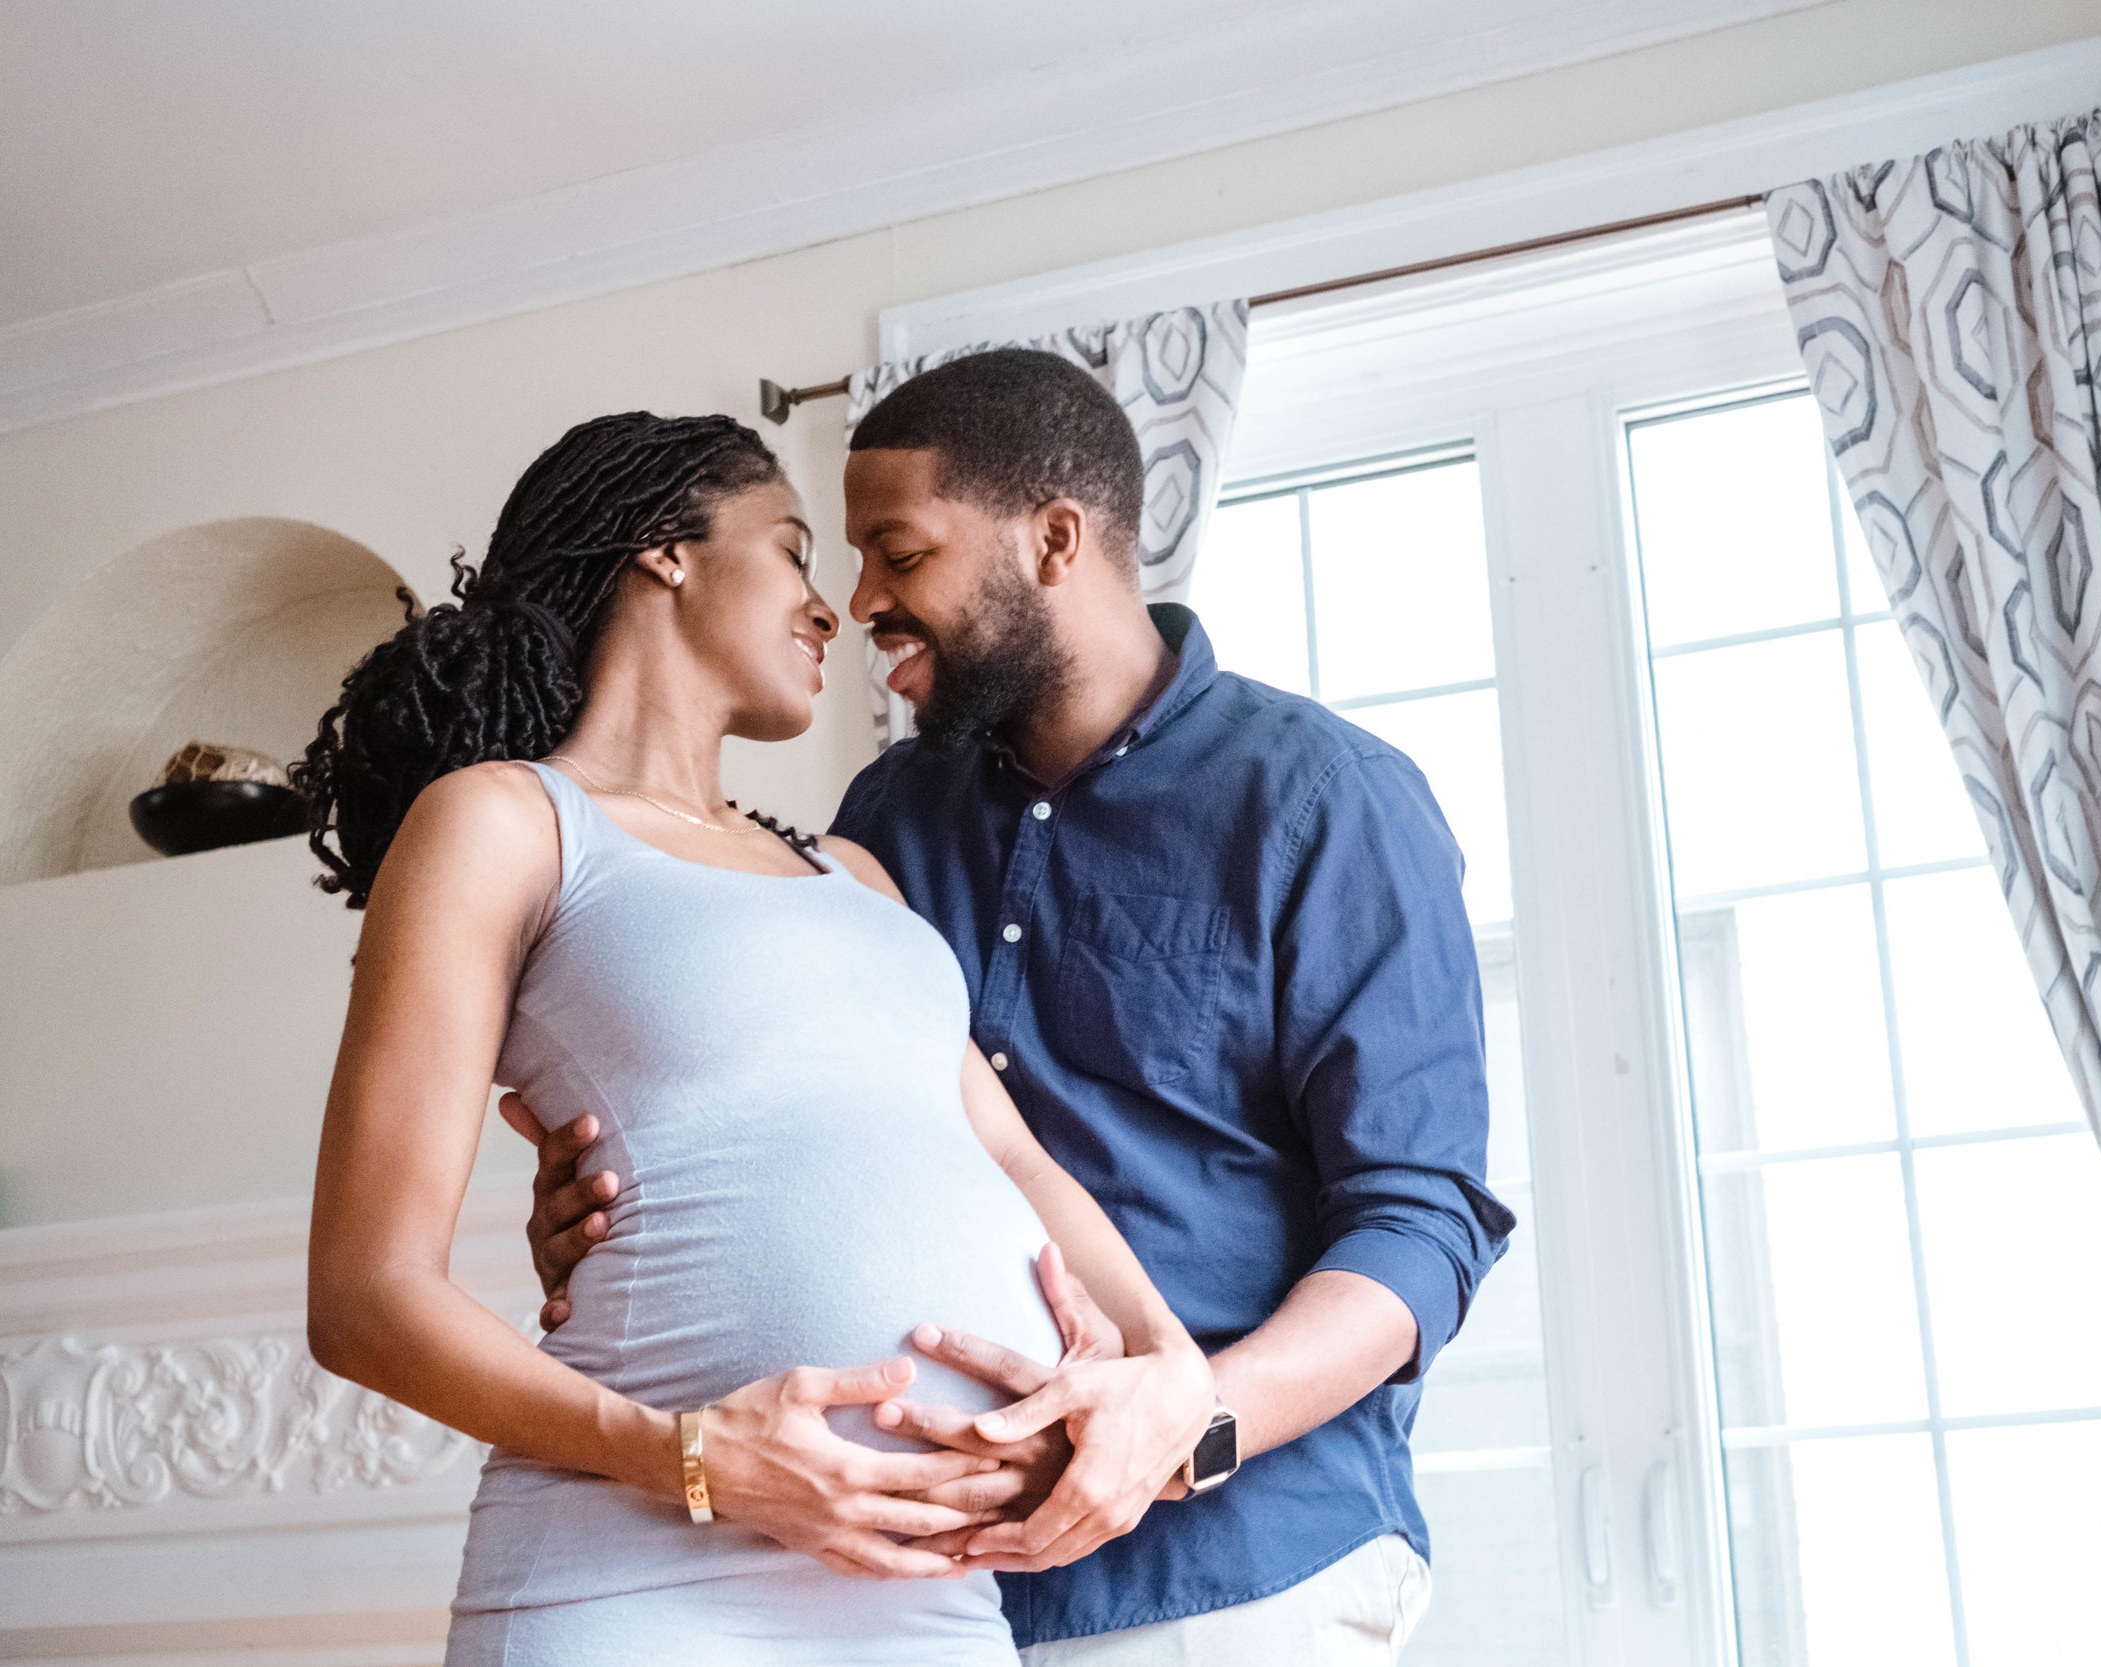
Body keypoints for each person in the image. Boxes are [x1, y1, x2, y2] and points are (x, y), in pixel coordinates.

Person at [523, 352, 1515, 1663]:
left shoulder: (1329, 801)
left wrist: (1191, 1415)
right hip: (896, 1589)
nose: (862, 599)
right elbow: (824, 1119)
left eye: (898, 550)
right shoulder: (875, 824)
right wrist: (616, 1203)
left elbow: (1416, 1222)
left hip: (1228, 1571)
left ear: (1054, 538)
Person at [297, 410, 1215, 1667]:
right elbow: (364, 1299)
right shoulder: (504, 823)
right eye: (791, 548)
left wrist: (1170, 1367)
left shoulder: (852, 872)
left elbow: (1013, 1161)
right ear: (665, 549)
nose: (833, 605)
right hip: (640, 1589)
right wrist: (695, 1460)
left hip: (930, 1598)